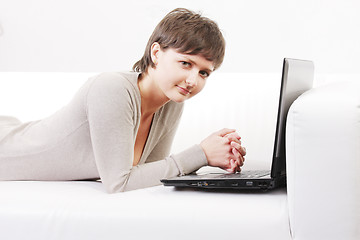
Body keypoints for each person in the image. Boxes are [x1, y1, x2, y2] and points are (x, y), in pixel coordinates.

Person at [0, 8, 246, 193]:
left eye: (204, 73)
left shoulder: (172, 101)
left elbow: (150, 175)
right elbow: (118, 183)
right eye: (186, 63)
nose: (193, 80)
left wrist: (218, 156)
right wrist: (201, 154)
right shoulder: (113, 88)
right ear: (157, 53)